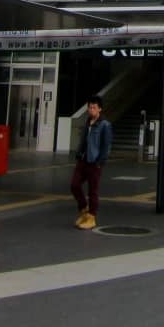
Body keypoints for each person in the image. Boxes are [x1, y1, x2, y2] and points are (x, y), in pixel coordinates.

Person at [70, 95, 112, 230]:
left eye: (94, 107)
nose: (91, 110)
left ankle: (91, 217)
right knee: (74, 185)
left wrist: (100, 161)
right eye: (89, 107)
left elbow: (106, 146)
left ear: (100, 109)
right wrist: (78, 152)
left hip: (94, 162)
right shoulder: (87, 122)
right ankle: (84, 210)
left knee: (93, 191)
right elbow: (84, 140)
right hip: (83, 159)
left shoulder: (105, 125)